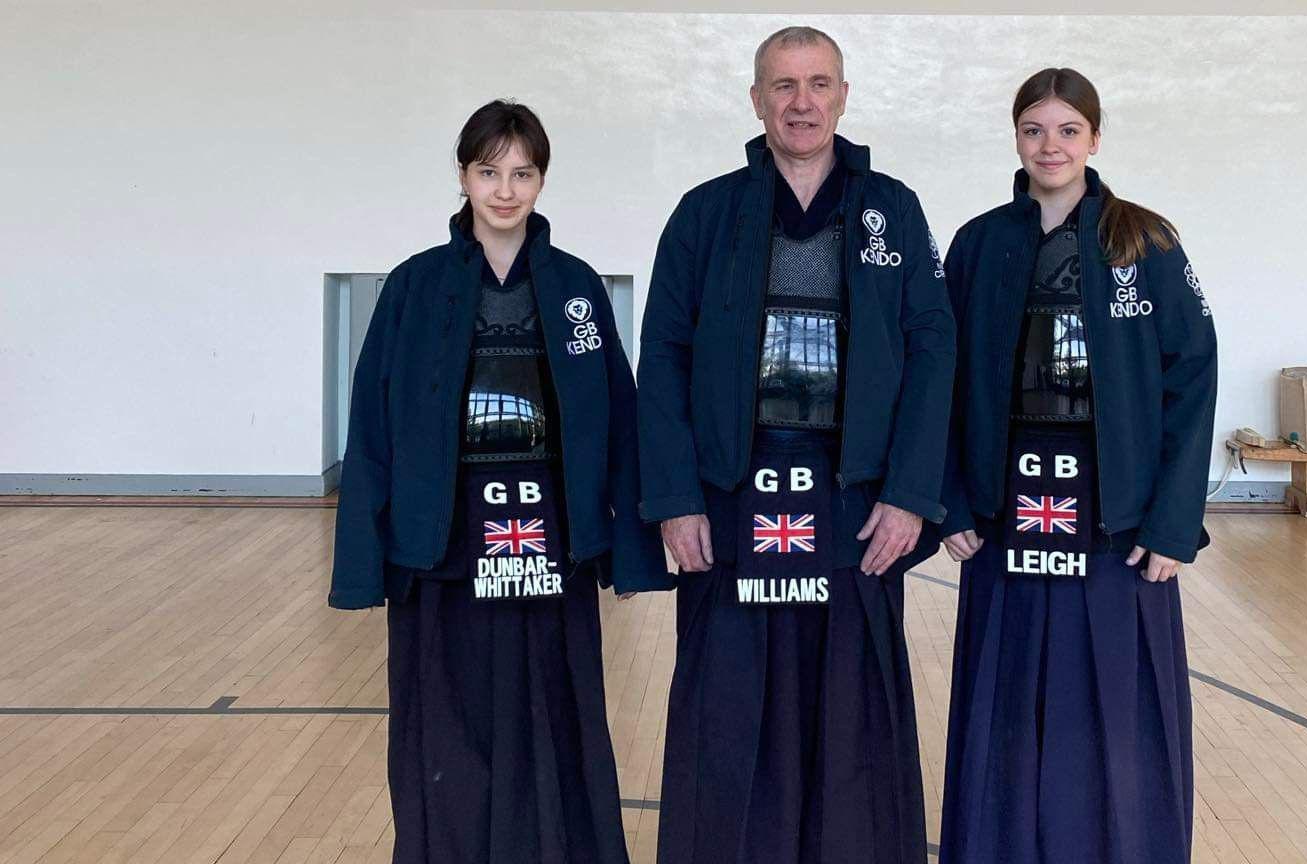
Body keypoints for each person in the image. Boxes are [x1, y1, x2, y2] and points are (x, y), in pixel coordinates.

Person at [636, 26, 955, 864]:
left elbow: (934, 352)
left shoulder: (893, 208)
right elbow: (662, 353)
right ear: (756, 100)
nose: (802, 102)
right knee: (728, 712)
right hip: (731, 499)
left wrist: (912, 493)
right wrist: (673, 497)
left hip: (854, 502)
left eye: (818, 84)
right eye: (784, 85)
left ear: (843, 96)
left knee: (852, 714)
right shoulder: (706, 213)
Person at [328, 99, 667, 864]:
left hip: (551, 542)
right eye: (490, 171)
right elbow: (373, 429)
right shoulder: (413, 287)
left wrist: (629, 550)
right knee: (447, 720)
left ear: (542, 179)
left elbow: (618, 419)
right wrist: (363, 564)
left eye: (522, 172)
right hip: (443, 545)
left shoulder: (577, 286)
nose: (506, 190)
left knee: (556, 711)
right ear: (463, 176)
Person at [937, 68, 1217, 864]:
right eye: (1034, 129)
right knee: (1007, 696)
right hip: (1006, 503)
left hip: (1115, 513)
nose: (1049, 145)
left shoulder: (1145, 240)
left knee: (1115, 709)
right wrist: (951, 501)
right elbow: (942, 383)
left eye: (1066, 130)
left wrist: (1171, 524)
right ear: (1016, 138)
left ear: (1094, 138)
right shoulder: (980, 243)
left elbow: (1191, 380)